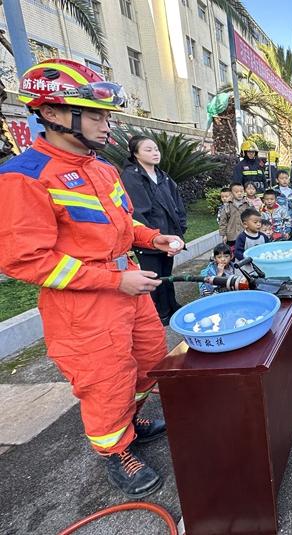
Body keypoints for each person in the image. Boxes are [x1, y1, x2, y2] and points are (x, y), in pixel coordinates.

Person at [0, 58, 184, 497]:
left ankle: (132, 422)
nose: (107, 124)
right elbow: (25, 260)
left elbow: (121, 224)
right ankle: (114, 450)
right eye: (95, 114)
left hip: (129, 287)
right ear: (51, 113)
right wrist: (112, 282)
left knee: (147, 361)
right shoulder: (23, 176)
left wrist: (154, 238)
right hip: (83, 305)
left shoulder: (101, 168)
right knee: (107, 380)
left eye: (106, 114)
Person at [121, 135, 187, 325]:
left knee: (167, 273)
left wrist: (180, 227)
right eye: (148, 150)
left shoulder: (162, 175)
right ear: (135, 154)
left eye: (156, 149)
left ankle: (172, 305)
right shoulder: (131, 176)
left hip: (169, 235)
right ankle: (160, 313)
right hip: (148, 238)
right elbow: (136, 213)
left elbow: (176, 203)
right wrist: (151, 236)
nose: (154, 153)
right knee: (154, 277)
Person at [219, 183, 248, 249]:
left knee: (244, 250)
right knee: (232, 252)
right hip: (231, 236)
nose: (239, 193)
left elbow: (252, 217)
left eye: (241, 191)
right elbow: (223, 222)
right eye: (236, 192)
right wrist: (224, 235)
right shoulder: (227, 206)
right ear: (231, 193)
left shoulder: (247, 204)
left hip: (245, 233)